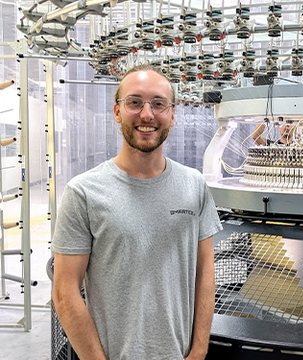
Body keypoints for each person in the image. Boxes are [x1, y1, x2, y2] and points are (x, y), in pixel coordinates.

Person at [52, 63, 223, 360]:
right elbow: (64, 293)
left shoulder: (194, 185)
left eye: (159, 104)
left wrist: (198, 350)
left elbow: (205, 272)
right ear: (117, 112)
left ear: (172, 114)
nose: (147, 115)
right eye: (134, 102)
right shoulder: (83, 192)